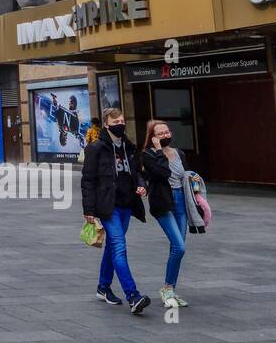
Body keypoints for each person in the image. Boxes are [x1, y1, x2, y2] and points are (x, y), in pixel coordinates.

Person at [82, 107, 151, 315]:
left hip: (126, 204)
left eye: (122, 120)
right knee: (120, 247)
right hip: (107, 206)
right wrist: (89, 209)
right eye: (116, 121)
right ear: (106, 124)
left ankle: (103, 287)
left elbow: (138, 172)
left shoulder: (129, 147)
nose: (120, 124)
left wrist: (142, 185)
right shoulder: (96, 148)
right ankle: (133, 296)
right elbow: (88, 180)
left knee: (113, 246)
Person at [140, 119, 206, 308]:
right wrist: (159, 150)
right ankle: (167, 289)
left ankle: (170, 289)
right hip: (163, 203)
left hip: (181, 202)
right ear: (152, 137)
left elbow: (184, 175)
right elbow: (162, 173)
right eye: (160, 134)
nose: (165, 136)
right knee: (179, 247)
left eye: (167, 132)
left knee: (175, 248)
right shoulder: (148, 155)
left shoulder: (179, 153)